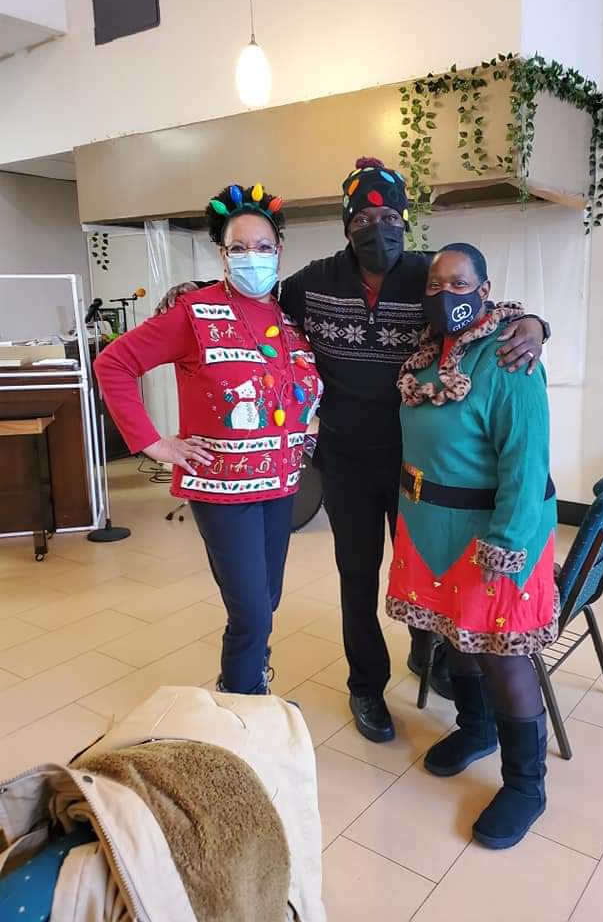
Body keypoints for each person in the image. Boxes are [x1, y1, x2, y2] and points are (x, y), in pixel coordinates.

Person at [156, 158, 550, 743]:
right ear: (346, 224)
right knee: (356, 575)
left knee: (429, 567)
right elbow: (253, 304)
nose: (378, 226)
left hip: (417, 465)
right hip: (342, 459)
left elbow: (485, 314)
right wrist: (194, 295)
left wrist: (540, 324)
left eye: (390, 215)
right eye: (364, 216)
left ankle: (435, 655)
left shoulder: (425, 276)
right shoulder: (313, 282)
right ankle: (366, 685)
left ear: (405, 221)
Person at [95, 183, 322, 695]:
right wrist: (154, 443)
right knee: (251, 612)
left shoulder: (290, 320)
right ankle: (242, 705)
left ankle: (249, 679)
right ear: (222, 253)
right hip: (222, 490)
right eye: (238, 247)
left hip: (281, 485)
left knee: (267, 601)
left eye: (263, 247)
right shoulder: (193, 313)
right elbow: (113, 364)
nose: (252, 257)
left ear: (279, 250)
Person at [387, 243, 557, 849]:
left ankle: (526, 785)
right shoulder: (425, 357)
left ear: (485, 290)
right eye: (434, 286)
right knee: (449, 633)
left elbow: (527, 465)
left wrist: (507, 543)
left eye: (458, 283)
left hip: (495, 534)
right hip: (430, 527)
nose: (444, 295)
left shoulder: (512, 357)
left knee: (501, 655)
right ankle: (475, 727)